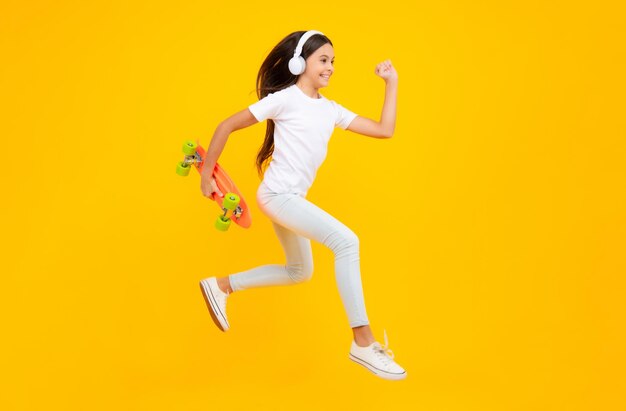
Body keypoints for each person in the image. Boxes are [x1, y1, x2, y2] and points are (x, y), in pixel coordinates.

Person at [198, 30, 406, 380]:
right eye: (323, 60)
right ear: (300, 62)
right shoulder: (284, 100)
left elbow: (385, 130)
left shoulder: (331, 110)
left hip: (290, 200)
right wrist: (206, 176)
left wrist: (392, 82)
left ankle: (222, 286)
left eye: (333, 62)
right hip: (279, 196)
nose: (330, 68)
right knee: (347, 242)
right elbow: (226, 126)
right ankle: (363, 341)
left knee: (299, 272)